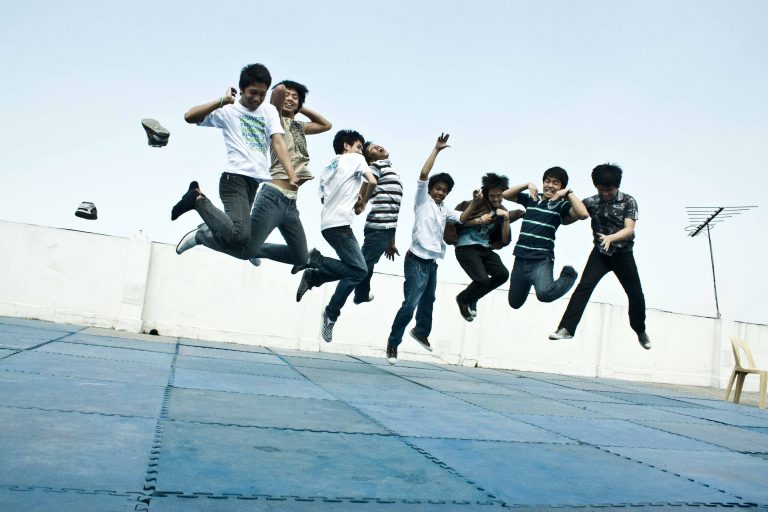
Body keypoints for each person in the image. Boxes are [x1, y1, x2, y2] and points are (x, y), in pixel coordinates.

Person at [175, 79, 332, 270]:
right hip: (273, 196)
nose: (290, 98)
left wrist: (300, 106)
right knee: (244, 249)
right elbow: (279, 91)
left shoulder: (299, 127)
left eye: (295, 97)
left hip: (291, 202)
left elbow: (326, 125)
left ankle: (256, 250)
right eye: (287, 96)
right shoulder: (274, 120)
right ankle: (203, 235)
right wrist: (285, 95)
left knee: (300, 257)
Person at [170, 64, 297, 253]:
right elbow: (189, 116)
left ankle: (208, 228)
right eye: (253, 92)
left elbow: (278, 142)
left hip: (253, 184)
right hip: (234, 180)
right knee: (240, 235)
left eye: (262, 94)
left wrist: (291, 173)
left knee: (241, 240)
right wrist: (222, 100)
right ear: (242, 89)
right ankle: (197, 202)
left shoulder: (268, 111)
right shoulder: (229, 110)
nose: (257, 99)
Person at [386, 134, 478, 365]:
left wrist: (476, 202)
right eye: (437, 189)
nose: (440, 193)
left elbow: (463, 218)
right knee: (410, 304)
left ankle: (420, 332)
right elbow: (424, 174)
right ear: (430, 189)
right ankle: (393, 343)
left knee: (429, 301)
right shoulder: (422, 201)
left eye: (444, 191)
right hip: (416, 260)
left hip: (431, 264)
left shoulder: (444, 209)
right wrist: (436, 150)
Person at [550, 163, 650, 349]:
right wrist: (566, 196)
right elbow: (568, 219)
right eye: (601, 189)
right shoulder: (591, 202)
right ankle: (566, 328)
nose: (605, 193)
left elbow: (629, 229)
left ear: (617, 186)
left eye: (609, 190)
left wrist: (611, 238)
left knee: (635, 293)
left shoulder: (628, 201)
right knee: (584, 288)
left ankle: (640, 329)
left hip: (623, 254)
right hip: (600, 255)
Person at [295, 129, 377, 343]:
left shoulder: (328, 167)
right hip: (341, 225)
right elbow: (372, 181)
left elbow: (325, 199)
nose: (361, 150)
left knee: (353, 270)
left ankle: (314, 277)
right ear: (347, 146)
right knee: (360, 271)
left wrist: (352, 195)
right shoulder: (357, 159)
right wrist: (362, 201)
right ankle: (316, 262)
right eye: (358, 146)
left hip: (327, 225)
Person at [502, 167, 589, 310]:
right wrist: (527, 184)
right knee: (515, 303)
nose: (550, 185)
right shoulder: (532, 198)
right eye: (547, 181)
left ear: (562, 187)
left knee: (545, 294)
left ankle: (569, 275)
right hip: (521, 259)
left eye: (556, 183)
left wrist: (568, 193)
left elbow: (583, 214)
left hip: (541, 260)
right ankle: (528, 280)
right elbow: (505, 194)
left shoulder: (561, 205)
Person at [452, 173, 523, 321]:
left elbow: (504, 240)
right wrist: (478, 220)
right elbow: (457, 222)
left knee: (502, 274)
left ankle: (473, 297)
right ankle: (463, 298)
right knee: (482, 280)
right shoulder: (473, 204)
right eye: (492, 196)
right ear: (486, 194)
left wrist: (506, 219)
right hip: (466, 247)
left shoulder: (502, 210)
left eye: (499, 196)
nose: (496, 199)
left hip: (484, 249)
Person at [351, 140, 403, 305]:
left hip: (385, 229)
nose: (378, 147)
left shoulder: (391, 170)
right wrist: (362, 201)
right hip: (378, 228)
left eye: (377, 145)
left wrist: (391, 242)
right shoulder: (376, 166)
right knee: (362, 266)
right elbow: (365, 185)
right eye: (372, 149)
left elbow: (393, 211)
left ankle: (361, 294)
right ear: (371, 159)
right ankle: (320, 275)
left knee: (368, 264)